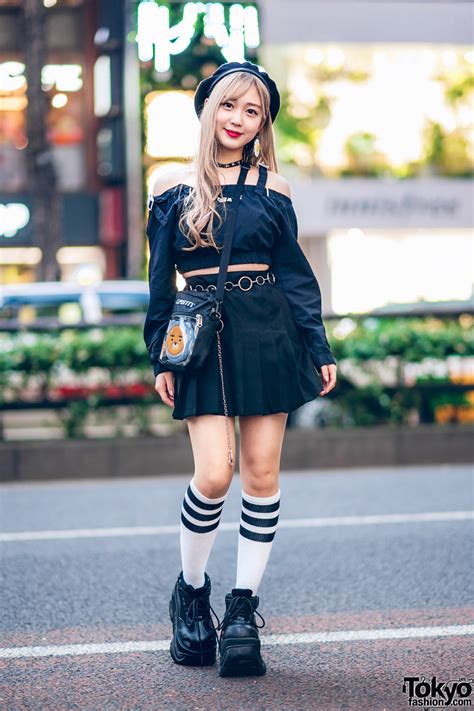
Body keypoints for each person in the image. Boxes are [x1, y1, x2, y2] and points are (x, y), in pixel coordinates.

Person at [143, 61, 337, 677]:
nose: (239, 120)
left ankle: (242, 609)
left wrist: (319, 346)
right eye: (230, 106)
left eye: (253, 112)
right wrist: (160, 354)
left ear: (261, 124)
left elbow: (297, 279)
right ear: (208, 109)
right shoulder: (172, 188)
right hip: (202, 341)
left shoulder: (273, 189)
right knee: (214, 474)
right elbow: (158, 286)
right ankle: (191, 592)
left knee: (260, 473)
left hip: (268, 333)